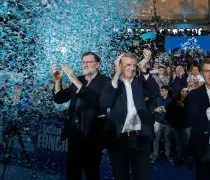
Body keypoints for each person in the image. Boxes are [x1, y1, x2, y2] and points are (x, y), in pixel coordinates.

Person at [101, 50, 159, 180]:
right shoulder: (111, 83)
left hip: (140, 138)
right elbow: (105, 103)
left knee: (142, 176)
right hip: (118, 139)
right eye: (128, 65)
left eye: (134, 65)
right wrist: (116, 74)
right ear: (119, 65)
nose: (132, 68)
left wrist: (144, 68)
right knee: (120, 176)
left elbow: (154, 92)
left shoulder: (140, 81)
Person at [52, 52, 109, 180]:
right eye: (83, 62)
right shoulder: (79, 79)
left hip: (93, 136)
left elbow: (96, 101)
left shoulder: (105, 81)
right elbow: (60, 99)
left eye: (89, 62)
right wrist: (57, 82)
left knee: (92, 172)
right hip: (74, 135)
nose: (85, 65)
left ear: (97, 65)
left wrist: (75, 81)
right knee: (73, 172)